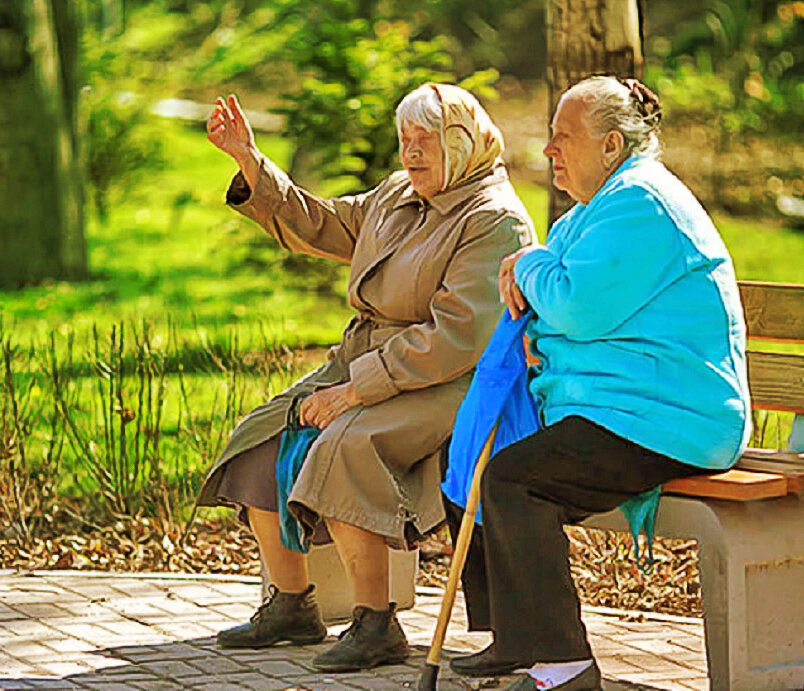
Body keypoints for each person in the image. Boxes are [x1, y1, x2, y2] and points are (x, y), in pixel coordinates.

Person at [196, 83, 534, 672]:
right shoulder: (399, 195)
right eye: (405, 139)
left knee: (348, 444)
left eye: (424, 141)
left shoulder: (493, 219)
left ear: (462, 143)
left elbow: (457, 337)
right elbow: (323, 223)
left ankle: (376, 623)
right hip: (374, 363)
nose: (410, 153)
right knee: (262, 436)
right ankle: (293, 605)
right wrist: (252, 163)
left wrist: (355, 390)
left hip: (451, 381)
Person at [447, 75, 751, 691]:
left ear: (611, 145)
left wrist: (527, 265)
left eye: (563, 137)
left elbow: (575, 304)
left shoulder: (642, 203)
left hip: (672, 417)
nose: (549, 151)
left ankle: (564, 667)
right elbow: (558, 306)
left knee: (517, 479)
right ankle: (518, 638)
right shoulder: (598, 208)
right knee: (476, 456)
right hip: (621, 408)